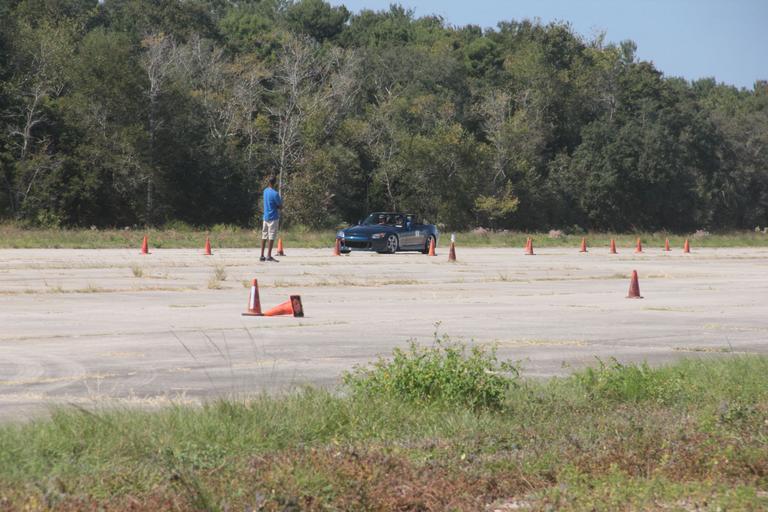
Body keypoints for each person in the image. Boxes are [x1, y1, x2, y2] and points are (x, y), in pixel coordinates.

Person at [260, 176, 282, 262]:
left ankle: (262, 255)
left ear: (268, 182)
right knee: (271, 236)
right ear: (275, 183)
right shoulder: (275, 194)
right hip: (273, 217)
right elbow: (280, 206)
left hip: (265, 217)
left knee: (264, 235)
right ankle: (269, 255)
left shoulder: (265, 191)